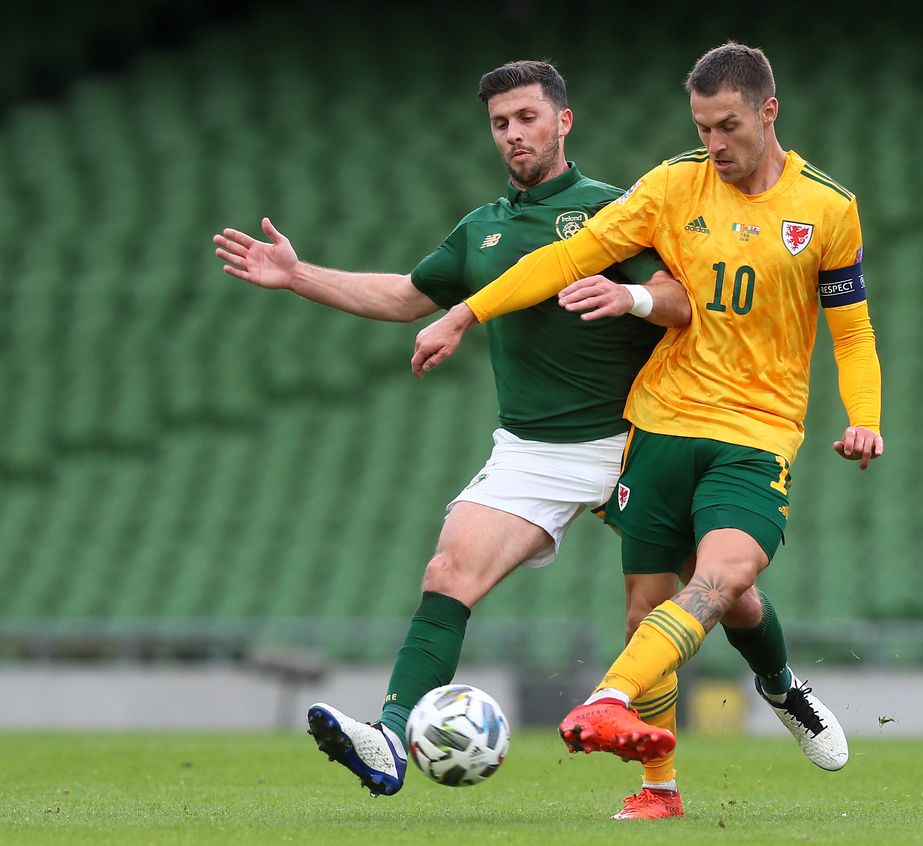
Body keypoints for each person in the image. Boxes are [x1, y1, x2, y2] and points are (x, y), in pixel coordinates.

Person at [212, 59, 765, 821]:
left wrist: (630, 297)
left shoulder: (616, 211)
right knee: (446, 572)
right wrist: (300, 274)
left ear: (563, 121)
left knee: (719, 595)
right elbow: (407, 297)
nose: (514, 134)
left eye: (528, 118)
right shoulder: (482, 228)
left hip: (638, 438)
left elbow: (682, 299)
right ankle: (389, 737)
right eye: (501, 123)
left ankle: (781, 684)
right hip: (533, 452)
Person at [412, 42, 880, 773]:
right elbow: (566, 258)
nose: (714, 144)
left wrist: (865, 417)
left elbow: (850, 330)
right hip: (661, 420)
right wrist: (466, 313)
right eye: (702, 129)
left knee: (724, 584)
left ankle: (762, 689)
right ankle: (660, 789)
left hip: (756, 431)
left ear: (768, 110)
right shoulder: (670, 185)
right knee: (652, 613)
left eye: (728, 126)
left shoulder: (827, 208)